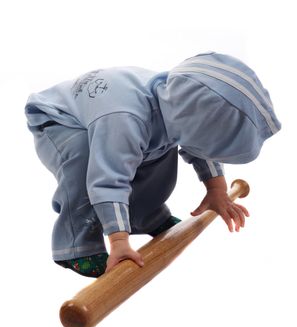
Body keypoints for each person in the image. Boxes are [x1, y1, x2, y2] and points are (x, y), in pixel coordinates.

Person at [25, 52, 281, 278]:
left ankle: (144, 216)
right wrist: (118, 241)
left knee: (159, 154)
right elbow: (108, 178)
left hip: (111, 115)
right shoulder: (125, 120)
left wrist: (216, 190)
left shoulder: (179, 110)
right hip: (60, 121)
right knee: (85, 169)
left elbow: (200, 145)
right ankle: (75, 244)